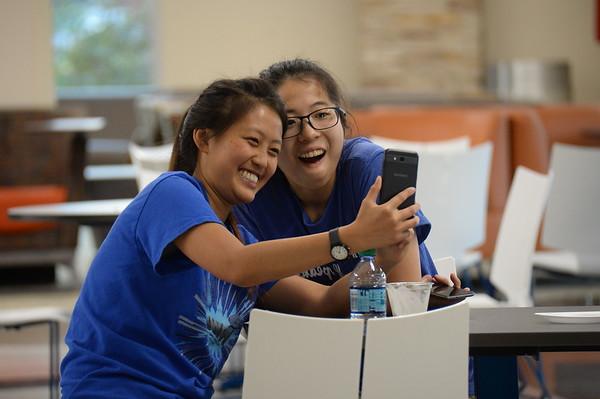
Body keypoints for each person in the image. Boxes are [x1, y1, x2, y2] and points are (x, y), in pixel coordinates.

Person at [60, 78, 422, 398]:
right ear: (203, 138)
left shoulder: (242, 237)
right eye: (252, 141)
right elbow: (237, 266)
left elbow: (323, 302)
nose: (262, 161)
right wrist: (349, 237)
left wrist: (386, 257)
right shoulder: (172, 193)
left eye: (273, 150)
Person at [235, 58, 462, 288]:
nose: (309, 133)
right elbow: (294, 303)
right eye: (290, 122)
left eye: (322, 114)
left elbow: (402, 297)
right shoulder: (254, 191)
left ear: (342, 122)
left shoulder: (370, 168)